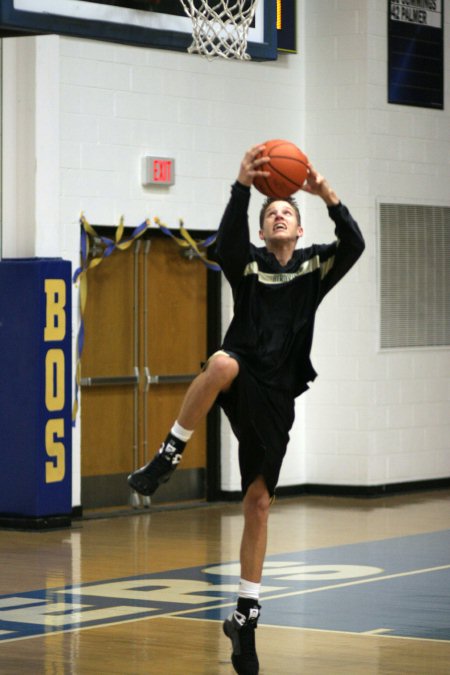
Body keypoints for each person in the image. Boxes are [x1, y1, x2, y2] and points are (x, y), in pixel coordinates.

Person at [128, 144, 365, 675]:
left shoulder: (315, 267)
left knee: (258, 504)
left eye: (286, 213)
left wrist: (325, 194)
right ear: (262, 233)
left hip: (278, 395)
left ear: (300, 230)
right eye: (271, 214)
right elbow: (226, 241)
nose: (279, 216)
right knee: (220, 364)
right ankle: (168, 456)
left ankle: (245, 617)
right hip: (241, 374)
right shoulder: (248, 264)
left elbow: (354, 242)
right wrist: (241, 185)